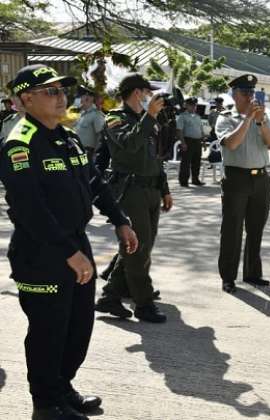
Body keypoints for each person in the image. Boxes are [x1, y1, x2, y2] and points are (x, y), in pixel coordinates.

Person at [0, 64, 138, 420]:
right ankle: (45, 404)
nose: (62, 97)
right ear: (26, 99)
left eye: (63, 90)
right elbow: (29, 209)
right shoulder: (20, 142)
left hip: (75, 243)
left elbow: (95, 183)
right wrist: (68, 254)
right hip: (41, 250)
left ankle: (62, 388)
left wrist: (120, 220)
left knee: (78, 326)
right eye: (51, 91)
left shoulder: (68, 137)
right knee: (49, 329)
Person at [94, 73, 173, 323]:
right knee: (138, 250)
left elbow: (154, 158)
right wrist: (149, 116)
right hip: (131, 191)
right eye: (147, 91)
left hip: (150, 190)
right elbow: (130, 145)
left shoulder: (145, 120)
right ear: (137, 93)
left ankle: (110, 296)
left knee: (141, 247)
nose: (151, 96)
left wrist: (165, 188)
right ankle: (143, 304)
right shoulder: (115, 118)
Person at [215, 74, 270, 293]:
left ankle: (252, 273)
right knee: (232, 229)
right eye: (245, 92)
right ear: (235, 95)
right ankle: (228, 276)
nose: (250, 96)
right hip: (236, 178)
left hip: (260, 178)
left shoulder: (264, 117)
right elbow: (231, 144)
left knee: (256, 228)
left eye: (253, 92)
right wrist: (247, 120)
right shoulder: (225, 118)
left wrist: (260, 121)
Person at [176, 96, 205, 186]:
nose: (193, 107)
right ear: (186, 105)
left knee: (197, 162)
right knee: (186, 162)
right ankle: (184, 181)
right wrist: (183, 143)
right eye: (191, 105)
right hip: (188, 141)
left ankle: (195, 179)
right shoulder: (182, 116)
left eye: (194, 105)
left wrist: (203, 141)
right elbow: (179, 130)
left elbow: (201, 130)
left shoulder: (197, 117)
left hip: (197, 141)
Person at [73, 86, 105, 162]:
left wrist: (95, 154)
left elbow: (101, 136)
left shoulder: (96, 114)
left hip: (89, 154)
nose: (79, 99)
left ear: (87, 98)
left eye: (81, 96)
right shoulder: (82, 113)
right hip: (78, 152)